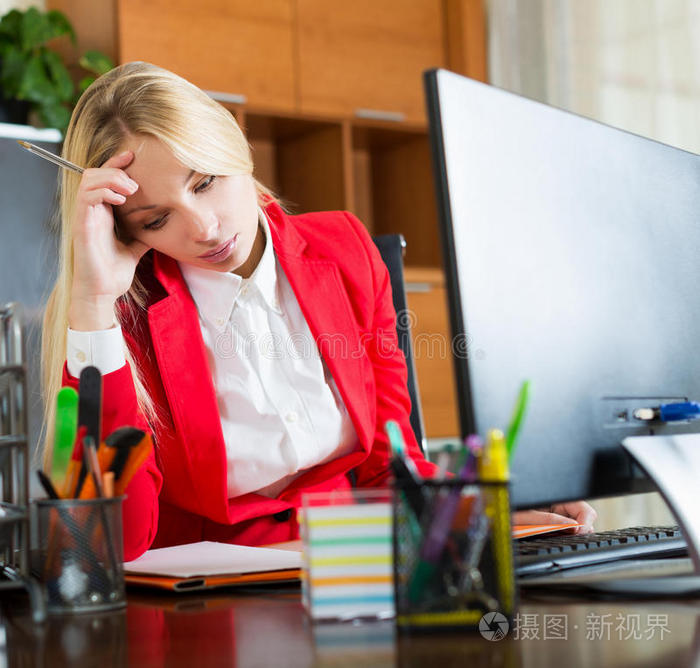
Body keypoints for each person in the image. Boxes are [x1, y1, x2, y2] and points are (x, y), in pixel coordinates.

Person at [41, 62, 596, 561]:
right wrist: (93, 306)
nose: (203, 227)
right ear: (124, 229)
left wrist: (496, 515)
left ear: (237, 145)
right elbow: (112, 542)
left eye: (206, 182)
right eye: (156, 220)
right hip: (207, 602)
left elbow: (388, 463)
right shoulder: (123, 315)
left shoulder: (345, 249)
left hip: (357, 566)